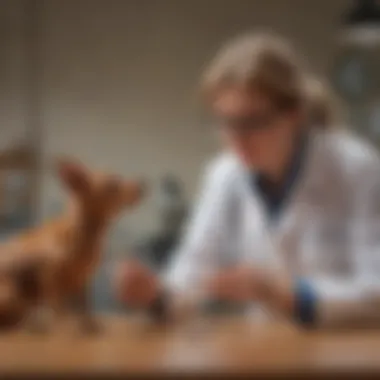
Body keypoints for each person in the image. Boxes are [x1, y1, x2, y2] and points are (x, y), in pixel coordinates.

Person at [114, 32, 380, 328]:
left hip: (348, 359)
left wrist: (287, 296)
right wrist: (155, 296)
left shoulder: (356, 168)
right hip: (264, 356)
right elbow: (190, 277)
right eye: (225, 122)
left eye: (252, 122)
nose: (236, 139)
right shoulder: (225, 174)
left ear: (293, 114)